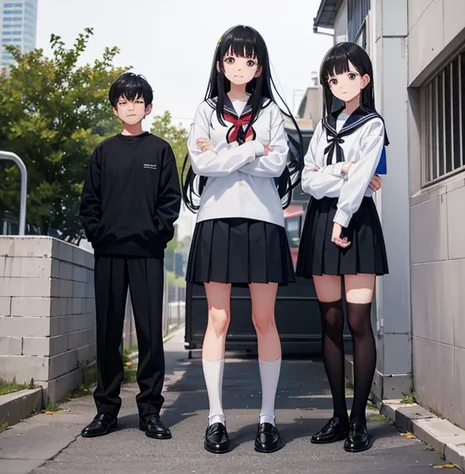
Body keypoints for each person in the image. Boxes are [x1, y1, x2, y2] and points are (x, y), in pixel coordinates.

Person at [182, 25, 302, 454]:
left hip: (262, 222)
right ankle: (216, 417)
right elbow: (202, 164)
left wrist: (229, 155)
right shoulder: (205, 111)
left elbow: (276, 166)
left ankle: (267, 418)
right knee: (218, 320)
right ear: (220, 65)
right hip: (216, 220)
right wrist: (253, 149)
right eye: (232, 59)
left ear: (259, 67)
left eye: (249, 60)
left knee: (264, 321)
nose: (240, 67)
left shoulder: (270, 111)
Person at [296, 42, 388, 453]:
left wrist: (341, 215)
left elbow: (361, 180)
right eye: (332, 79)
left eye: (348, 76)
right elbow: (308, 181)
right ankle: (337, 415)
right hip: (320, 222)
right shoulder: (324, 125)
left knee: (357, 322)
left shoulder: (372, 125)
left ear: (364, 79)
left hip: (356, 223)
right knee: (329, 322)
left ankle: (358, 420)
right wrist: (343, 169)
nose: (339, 84)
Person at [79, 72, 181, 440]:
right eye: (124, 102)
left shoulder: (160, 150)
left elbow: (171, 202)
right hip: (108, 253)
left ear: (148, 107)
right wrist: (99, 235)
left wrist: (156, 234)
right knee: (107, 334)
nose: (131, 107)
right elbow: (89, 203)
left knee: (150, 333)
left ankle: (150, 411)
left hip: (147, 255)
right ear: (114, 108)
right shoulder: (104, 151)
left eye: (137, 101)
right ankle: (106, 411)